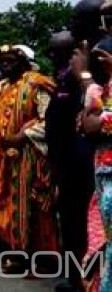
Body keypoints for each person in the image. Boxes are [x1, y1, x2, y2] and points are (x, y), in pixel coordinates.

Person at [0, 45, 57, 273]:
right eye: (3, 62)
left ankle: (38, 258)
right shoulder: (3, 87)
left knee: (32, 206)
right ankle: (16, 253)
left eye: (11, 61)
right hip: (5, 158)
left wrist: (22, 135)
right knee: (7, 204)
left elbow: (49, 121)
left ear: (25, 62)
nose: (5, 65)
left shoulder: (37, 84)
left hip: (32, 157)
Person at [46, 29, 95, 292]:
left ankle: (82, 279)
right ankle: (74, 275)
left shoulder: (83, 78)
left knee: (81, 224)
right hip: (64, 164)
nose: (52, 56)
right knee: (69, 222)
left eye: (58, 51)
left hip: (79, 165)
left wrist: (84, 76)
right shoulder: (64, 78)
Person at [80, 36, 112, 292]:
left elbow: (92, 125)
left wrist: (87, 80)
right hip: (103, 172)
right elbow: (86, 123)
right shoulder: (106, 87)